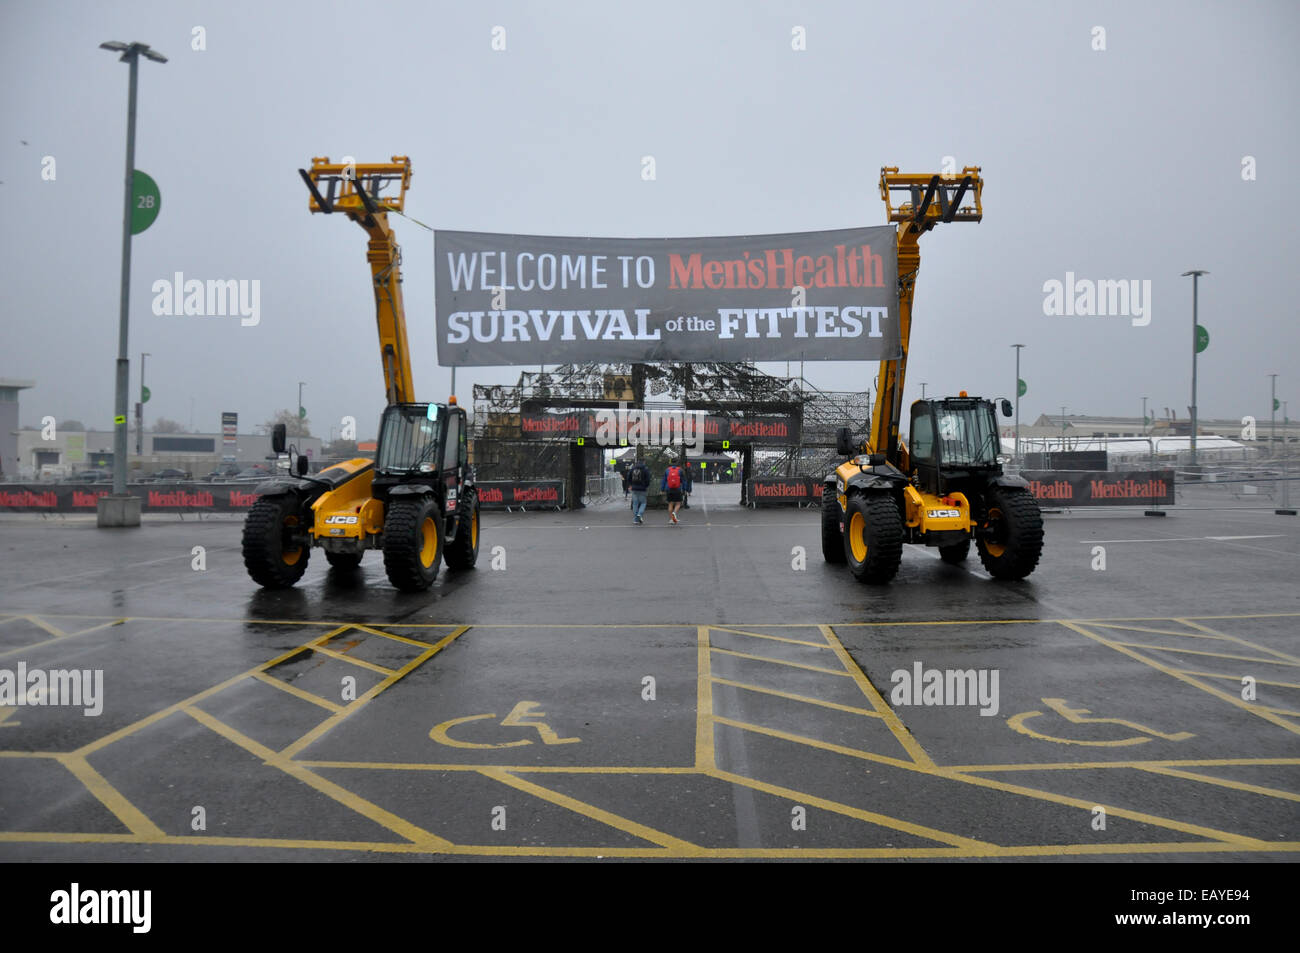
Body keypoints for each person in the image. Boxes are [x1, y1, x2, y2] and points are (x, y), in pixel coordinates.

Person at [628, 457, 651, 524]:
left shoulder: (633, 469)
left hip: (634, 488)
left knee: (635, 504)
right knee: (643, 503)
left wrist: (631, 485)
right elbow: (648, 479)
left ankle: (636, 520)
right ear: (644, 462)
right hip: (642, 488)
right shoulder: (645, 469)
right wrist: (646, 486)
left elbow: (628, 477)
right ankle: (639, 514)